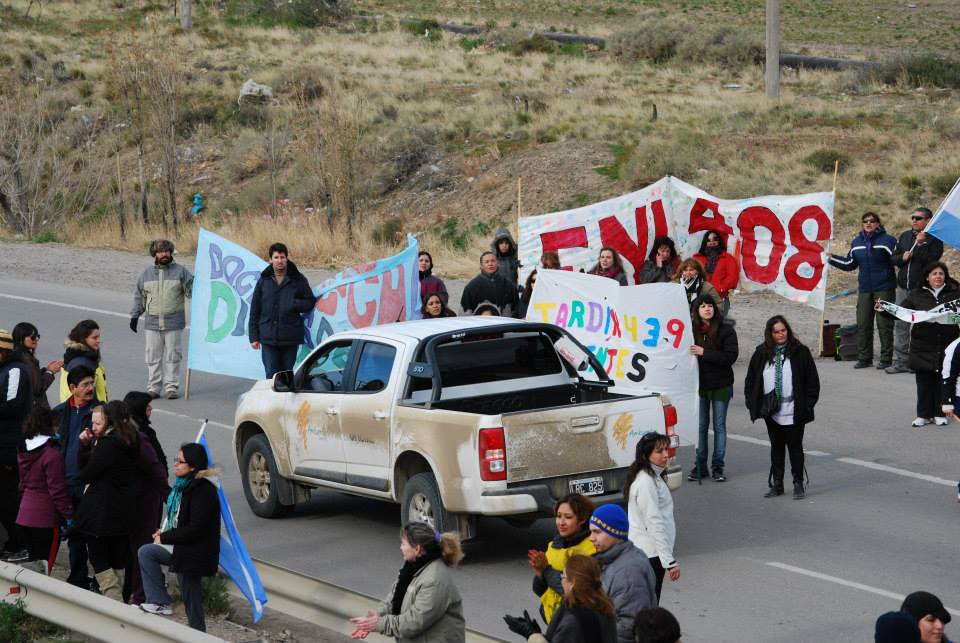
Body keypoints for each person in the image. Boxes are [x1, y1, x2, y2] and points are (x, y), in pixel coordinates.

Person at [138, 443, 220, 631]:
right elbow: (180, 520)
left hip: (194, 554)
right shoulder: (184, 487)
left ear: (192, 466)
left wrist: (166, 537)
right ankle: (159, 600)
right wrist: (164, 533)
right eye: (176, 460)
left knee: (192, 601)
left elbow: (195, 528)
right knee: (147, 552)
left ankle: (198, 635)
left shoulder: (202, 490)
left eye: (180, 461)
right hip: (183, 548)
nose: (175, 464)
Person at [744, 316, 820, 500]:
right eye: (776, 332)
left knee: (795, 447)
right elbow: (751, 380)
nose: (780, 335)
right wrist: (753, 402)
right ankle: (777, 483)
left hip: (794, 408)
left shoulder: (800, 352)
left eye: (783, 330)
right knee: (776, 447)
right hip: (772, 410)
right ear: (770, 333)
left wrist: (807, 405)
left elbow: (812, 382)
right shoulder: (762, 353)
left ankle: (798, 483)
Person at [349, 522, 465, 642]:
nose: (400, 547)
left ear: (417, 549)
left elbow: (415, 621)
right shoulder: (410, 569)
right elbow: (393, 601)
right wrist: (375, 617)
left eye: (403, 544)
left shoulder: (435, 580)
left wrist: (379, 624)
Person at [74, 401, 143, 600]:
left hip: (102, 513)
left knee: (97, 556)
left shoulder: (109, 444)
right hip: (124, 511)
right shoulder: (132, 439)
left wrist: (84, 448)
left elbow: (87, 474)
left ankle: (112, 596)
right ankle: (119, 596)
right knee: (118, 557)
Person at [883, 262, 959, 427]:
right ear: (927, 277)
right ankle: (923, 414)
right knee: (924, 381)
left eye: (941, 273)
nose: (938, 276)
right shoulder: (916, 295)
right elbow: (902, 313)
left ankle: (940, 413)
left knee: (942, 380)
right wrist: (884, 310)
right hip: (922, 344)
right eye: (934, 274)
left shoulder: (954, 295)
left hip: (947, 343)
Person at [828, 212, 898, 369]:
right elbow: (849, 263)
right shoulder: (857, 242)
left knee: (884, 325)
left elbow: (898, 259)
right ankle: (865, 358)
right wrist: (831, 258)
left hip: (884, 288)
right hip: (865, 289)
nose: (868, 223)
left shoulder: (888, 241)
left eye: (872, 221)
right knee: (863, 324)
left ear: (878, 224)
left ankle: (886, 360)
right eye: (865, 221)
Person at [129, 239, 195, 400]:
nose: (164, 254)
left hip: (174, 323)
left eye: (166, 251)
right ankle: (154, 388)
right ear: (155, 254)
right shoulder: (146, 274)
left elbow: (193, 291)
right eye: (160, 251)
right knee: (153, 357)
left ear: (171, 252)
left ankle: (171, 388)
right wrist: (135, 315)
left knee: (173, 356)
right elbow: (139, 297)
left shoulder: (181, 271)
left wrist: (197, 286)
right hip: (152, 324)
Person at [52, 365, 99, 589]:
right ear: (73, 388)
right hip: (62, 482)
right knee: (70, 533)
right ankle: (77, 577)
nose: (91, 388)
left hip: (87, 484)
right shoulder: (60, 412)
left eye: (92, 383)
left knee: (88, 533)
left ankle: (94, 579)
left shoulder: (99, 414)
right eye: (86, 384)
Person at [122, 393, 169, 605]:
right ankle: (141, 593)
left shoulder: (127, 433)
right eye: (147, 407)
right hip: (146, 499)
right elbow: (156, 467)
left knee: (134, 547)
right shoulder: (142, 435)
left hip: (133, 499)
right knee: (143, 546)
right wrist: (168, 494)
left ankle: (131, 590)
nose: (151, 410)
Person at [507, 554, 618, 643]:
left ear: (573, 583)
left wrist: (531, 634)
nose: (561, 580)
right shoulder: (604, 609)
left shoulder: (573, 621)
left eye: (563, 576)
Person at [687, 295, 738, 482]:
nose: (707, 309)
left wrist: (704, 353)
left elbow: (730, 356)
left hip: (721, 385)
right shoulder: (690, 331)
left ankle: (718, 465)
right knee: (700, 427)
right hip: (699, 386)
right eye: (702, 306)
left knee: (719, 426)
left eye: (709, 306)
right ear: (697, 311)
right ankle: (700, 465)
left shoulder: (726, 330)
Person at [588, 504, 657, 642]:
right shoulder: (612, 559)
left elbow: (628, 626)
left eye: (597, 532)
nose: (591, 538)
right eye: (591, 532)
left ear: (615, 533)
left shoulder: (628, 571)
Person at [16, 407, 72, 575]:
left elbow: (22, 483)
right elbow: (57, 490)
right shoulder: (51, 455)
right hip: (45, 518)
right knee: (45, 567)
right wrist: (69, 516)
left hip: (25, 515)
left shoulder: (23, 449)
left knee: (33, 565)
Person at [624, 433, 678, 603]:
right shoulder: (646, 482)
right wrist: (669, 561)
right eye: (659, 451)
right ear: (646, 456)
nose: (665, 455)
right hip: (650, 555)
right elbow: (654, 523)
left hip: (647, 553)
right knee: (649, 605)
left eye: (666, 450)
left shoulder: (651, 477)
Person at [249, 242, 316, 378]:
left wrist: (294, 304)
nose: (279, 260)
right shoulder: (264, 280)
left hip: (290, 336)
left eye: (282, 257)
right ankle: (273, 399)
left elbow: (310, 301)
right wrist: (254, 336)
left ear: (287, 258)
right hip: (268, 336)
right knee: (271, 374)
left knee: (286, 375)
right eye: (276, 257)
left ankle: (285, 399)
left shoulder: (298, 279)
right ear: (270, 260)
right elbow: (255, 309)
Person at [888, 207, 943, 374]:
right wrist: (901, 257)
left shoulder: (934, 239)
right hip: (903, 287)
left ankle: (920, 362)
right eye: (913, 217)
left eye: (918, 218)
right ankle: (902, 361)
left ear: (927, 221)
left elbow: (932, 262)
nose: (914, 220)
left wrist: (919, 245)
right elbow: (894, 258)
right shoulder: (905, 236)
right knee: (901, 324)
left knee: (922, 325)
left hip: (922, 290)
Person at [528, 494, 596, 624]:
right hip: (554, 621)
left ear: (582, 519)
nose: (561, 522)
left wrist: (546, 571)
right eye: (559, 516)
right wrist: (540, 575)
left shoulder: (590, 549)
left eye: (568, 517)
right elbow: (540, 590)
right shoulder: (554, 545)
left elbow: (577, 593)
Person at [0, 329, 31, 562]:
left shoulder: (15, 371)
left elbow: (13, 405)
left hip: (8, 447)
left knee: (8, 498)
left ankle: (21, 543)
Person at [12, 322, 61, 412]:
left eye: (37, 336)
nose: (36, 339)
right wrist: (50, 372)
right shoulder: (27, 360)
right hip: (35, 411)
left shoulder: (16, 355)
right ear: (21, 339)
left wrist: (45, 371)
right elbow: (37, 389)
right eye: (32, 337)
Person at [58, 320, 107, 403]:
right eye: (94, 338)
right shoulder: (81, 364)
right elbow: (82, 396)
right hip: (85, 413)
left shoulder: (83, 357)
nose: (99, 340)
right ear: (83, 339)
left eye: (99, 337)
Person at [693, 230, 739, 316]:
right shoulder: (697, 259)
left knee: (719, 325)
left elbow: (732, 279)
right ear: (705, 242)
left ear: (719, 241)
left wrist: (718, 289)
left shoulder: (728, 259)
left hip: (720, 298)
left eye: (715, 239)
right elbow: (692, 275)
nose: (712, 242)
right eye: (709, 240)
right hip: (699, 299)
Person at [461, 251, 519, 317]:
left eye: (493, 261)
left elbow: (517, 310)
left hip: (505, 325)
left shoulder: (509, 285)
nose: (490, 264)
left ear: (498, 263)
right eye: (486, 262)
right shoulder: (471, 287)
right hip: (481, 325)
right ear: (481, 266)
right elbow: (464, 314)